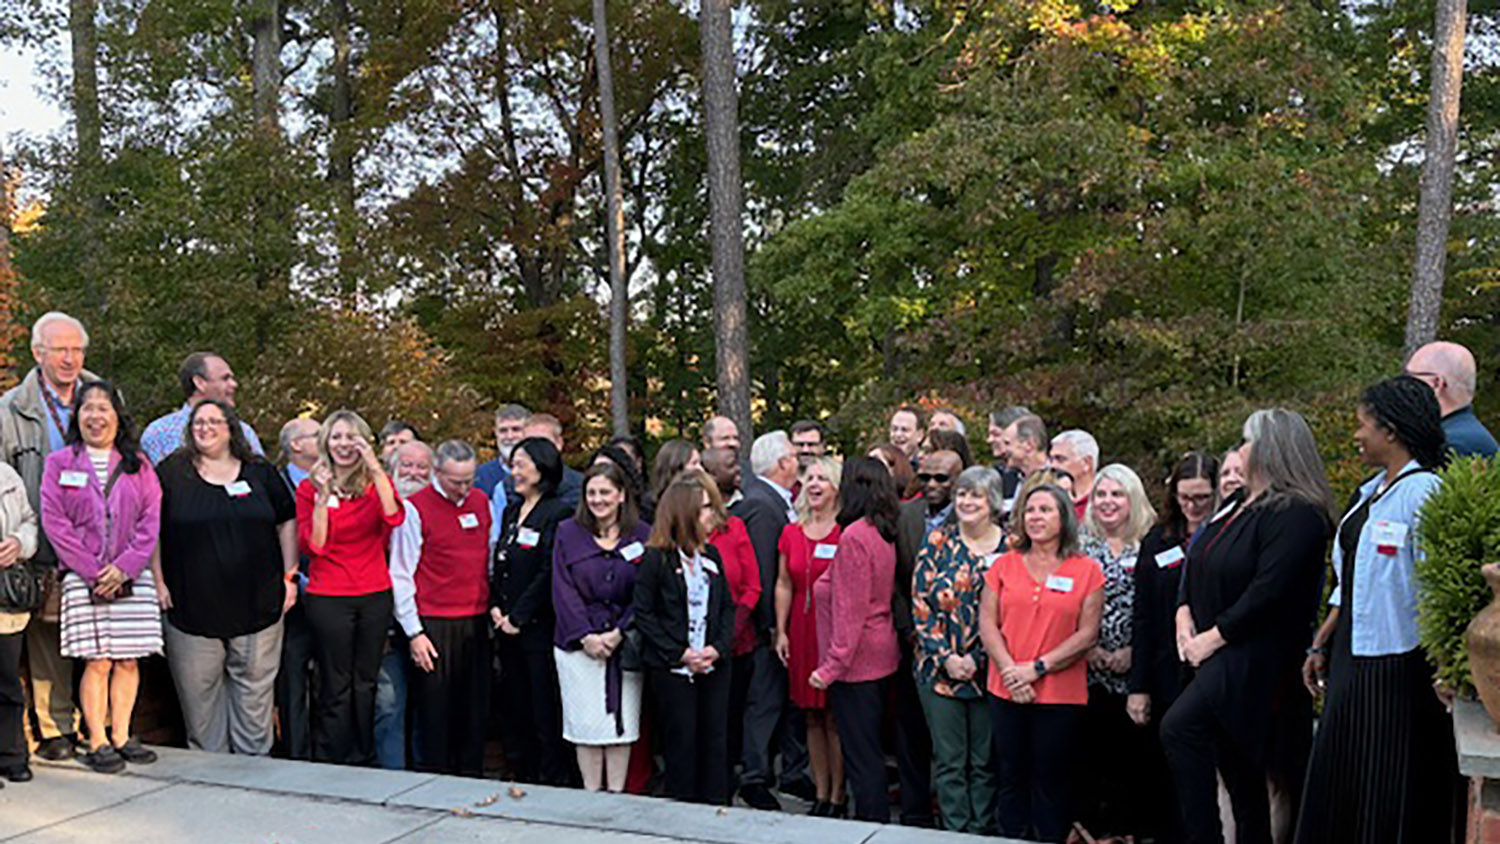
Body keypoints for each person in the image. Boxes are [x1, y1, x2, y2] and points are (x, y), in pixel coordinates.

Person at [1295, 376, 1455, 844]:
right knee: (1342, 776)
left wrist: (1444, 663)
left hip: (1396, 665)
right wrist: (1319, 643)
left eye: (1363, 424)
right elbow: (1351, 584)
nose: (1356, 435)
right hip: (1351, 657)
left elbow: (1432, 586)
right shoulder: (1370, 492)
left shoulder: (1424, 492)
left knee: (1385, 783)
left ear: (1391, 430)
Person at [1162, 409, 1333, 844]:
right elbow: (1196, 562)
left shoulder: (1298, 514)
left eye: (1245, 441)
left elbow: (1268, 591)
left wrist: (1210, 640)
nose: (1239, 451)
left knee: (1180, 728)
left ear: (1271, 448)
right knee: (1239, 770)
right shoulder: (1238, 505)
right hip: (1214, 651)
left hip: (1253, 658)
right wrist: (1183, 613)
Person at [153, 399, 297, 755]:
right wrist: (158, 581)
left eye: (215, 421)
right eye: (199, 422)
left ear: (232, 428)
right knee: (201, 704)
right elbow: (150, 528)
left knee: (254, 697)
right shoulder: (172, 473)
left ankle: (254, 773)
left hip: (259, 606)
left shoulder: (259, 471)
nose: (206, 428)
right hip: (190, 607)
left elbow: (287, 520)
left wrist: (289, 577)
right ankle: (211, 776)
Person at [41, 380, 163, 774]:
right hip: (84, 576)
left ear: (118, 416)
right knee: (98, 661)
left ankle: (123, 735)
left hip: (132, 574)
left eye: (104, 408)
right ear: (77, 416)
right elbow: (55, 523)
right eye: (87, 407)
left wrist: (126, 566)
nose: (96, 415)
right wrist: (94, 571)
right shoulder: (59, 464)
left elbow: (150, 520)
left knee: (127, 660)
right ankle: (96, 740)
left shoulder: (139, 465)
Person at [979, 482, 1104, 842]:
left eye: (1045, 509)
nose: (1036, 517)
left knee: (1051, 780)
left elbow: (1087, 634)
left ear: (1064, 517)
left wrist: (1036, 668)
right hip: (1006, 689)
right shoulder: (1004, 564)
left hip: (1059, 693)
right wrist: (1010, 671)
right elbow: (988, 623)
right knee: (1010, 775)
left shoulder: (1087, 570)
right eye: (1030, 510)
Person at [0, 311, 94, 762]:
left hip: (96, 540)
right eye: (60, 349)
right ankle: (56, 728)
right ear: (37, 353)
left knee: (100, 634)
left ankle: (104, 726)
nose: (70, 358)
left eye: (77, 349)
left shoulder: (101, 396)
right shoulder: (9, 410)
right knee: (46, 636)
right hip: (39, 542)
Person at [296, 409, 404, 766]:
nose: (344, 444)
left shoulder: (375, 483)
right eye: (337, 437)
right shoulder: (309, 487)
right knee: (334, 681)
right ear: (326, 441)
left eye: (351, 437)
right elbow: (317, 545)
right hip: (330, 596)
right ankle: (332, 757)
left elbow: (393, 516)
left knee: (366, 681)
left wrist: (375, 466)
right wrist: (323, 495)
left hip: (373, 592)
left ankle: (364, 754)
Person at [1129, 451, 1220, 843]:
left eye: (1201, 497)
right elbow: (1144, 615)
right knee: (1165, 766)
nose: (1192, 506)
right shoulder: (1160, 538)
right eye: (1185, 497)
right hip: (1166, 669)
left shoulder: (1227, 533)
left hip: (1214, 670)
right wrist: (1138, 686)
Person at [388, 440, 492, 777]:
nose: (462, 488)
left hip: (474, 620)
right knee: (436, 714)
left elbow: (487, 559)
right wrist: (414, 632)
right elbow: (401, 573)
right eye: (454, 481)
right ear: (436, 473)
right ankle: (436, 782)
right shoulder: (416, 509)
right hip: (433, 622)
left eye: (468, 480)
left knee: (473, 711)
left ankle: (471, 778)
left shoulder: (481, 502)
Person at [631, 473, 736, 805]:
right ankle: (684, 813)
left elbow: (727, 610)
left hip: (713, 666)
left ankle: (717, 808)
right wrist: (679, 654)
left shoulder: (713, 557)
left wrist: (717, 649)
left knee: (716, 740)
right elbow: (644, 612)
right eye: (704, 509)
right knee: (682, 742)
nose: (711, 516)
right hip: (673, 669)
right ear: (684, 512)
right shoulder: (656, 559)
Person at [911, 466, 1005, 834]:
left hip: (991, 669)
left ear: (992, 502)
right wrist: (947, 658)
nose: (966, 502)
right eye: (962, 494)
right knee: (949, 761)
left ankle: (981, 830)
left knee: (983, 761)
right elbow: (920, 603)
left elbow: (1013, 613)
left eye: (976, 495)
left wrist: (978, 659)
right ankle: (955, 831)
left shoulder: (1010, 547)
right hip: (938, 671)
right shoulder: (937, 542)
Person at [808, 456, 901, 823]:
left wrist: (830, 667)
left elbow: (850, 610)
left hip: (858, 662)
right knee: (870, 753)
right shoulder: (879, 531)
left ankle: (870, 827)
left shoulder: (855, 537)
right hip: (880, 653)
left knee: (862, 758)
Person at [551, 462, 650, 792]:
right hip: (579, 646)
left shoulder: (643, 535)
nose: (598, 499)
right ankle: (592, 796)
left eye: (605, 492)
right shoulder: (567, 532)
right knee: (587, 728)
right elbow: (562, 588)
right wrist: (586, 636)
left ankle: (617, 796)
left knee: (621, 727)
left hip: (625, 644)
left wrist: (619, 632)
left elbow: (646, 592)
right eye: (591, 492)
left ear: (621, 495)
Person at [1076, 463, 1157, 841]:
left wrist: (1132, 652)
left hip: (1137, 672)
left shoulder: (1154, 542)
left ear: (1133, 499)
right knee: (1091, 757)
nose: (1108, 502)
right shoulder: (1078, 545)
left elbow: (1161, 605)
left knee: (1135, 759)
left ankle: (1131, 831)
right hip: (1086, 669)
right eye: (1102, 494)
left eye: (1117, 494)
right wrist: (1088, 646)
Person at [490, 436, 574, 785]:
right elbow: (501, 562)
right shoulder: (511, 510)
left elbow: (547, 571)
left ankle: (550, 777)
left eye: (522, 464)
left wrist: (519, 616)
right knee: (516, 704)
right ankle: (522, 772)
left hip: (536, 627)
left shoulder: (558, 513)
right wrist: (496, 607)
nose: (514, 471)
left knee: (543, 708)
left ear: (542, 468)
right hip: (505, 626)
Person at [893, 449, 970, 827]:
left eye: (942, 478)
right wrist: (910, 630)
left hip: (963, 648)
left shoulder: (973, 516)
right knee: (910, 732)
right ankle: (915, 812)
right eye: (925, 477)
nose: (933, 485)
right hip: (912, 643)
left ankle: (959, 818)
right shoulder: (904, 514)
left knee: (957, 744)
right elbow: (893, 581)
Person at [732, 431, 802, 811]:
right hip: (765, 628)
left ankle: (788, 772)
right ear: (782, 464)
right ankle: (754, 776)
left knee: (781, 701)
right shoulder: (762, 505)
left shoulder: (772, 501)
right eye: (793, 455)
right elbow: (760, 568)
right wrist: (771, 626)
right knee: (764, 701)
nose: (798, 462)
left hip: (778, 624)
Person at [774, 456, 844, 817]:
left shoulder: (845, 531)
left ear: (836, 488)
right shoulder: (791, 531)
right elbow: (784, 583)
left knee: (834, 715)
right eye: (810, 478)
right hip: (801, 631)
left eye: (823, 479)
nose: (815, 484)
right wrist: (781, 630)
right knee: (810, 716)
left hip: (833, 630)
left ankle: (838, 794)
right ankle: (820, 792)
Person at [373, 438, 434, 770]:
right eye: (406, 466)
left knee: (427, 706)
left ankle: (426, 774)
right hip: (387, 627)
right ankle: (391, 776)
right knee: (389, 705)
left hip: (432, 626)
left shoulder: (438, 508)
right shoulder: (377, 507)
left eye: (421, 467)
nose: (413, 472)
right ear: (391, 471)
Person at [274, 415, 320, 759]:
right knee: (291, 679)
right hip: (292, 601)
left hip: (334, 597)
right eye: (317, 434)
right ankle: (296, 754)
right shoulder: (277, 484)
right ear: (295, 445)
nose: (327, 439)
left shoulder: (338, 482)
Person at [140, 352, 265, 464]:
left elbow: (262, 479)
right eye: (225, 378)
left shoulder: (245, 432)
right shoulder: (159, 434)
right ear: (200, 383)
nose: (234, 384)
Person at [0, 460, 39, 786]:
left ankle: (13, 754)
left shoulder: (6, 475)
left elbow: (29, 520)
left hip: (4, 596)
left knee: (7, 680)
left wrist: (18, 542)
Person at [1405, 340, 1498, 457]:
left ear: (1437, 383)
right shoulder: (1463, 433)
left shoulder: (1452, 444)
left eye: (1411, 377)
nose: (1404, 385)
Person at [475, 403, 528, 531]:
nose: (509, 437)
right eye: (503, 431)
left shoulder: (540, 473)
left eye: (516, 430)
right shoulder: (480, 476)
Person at [524, 413, 583, 511]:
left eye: (543, 442)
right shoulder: (510, 486)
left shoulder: (578, 485)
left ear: (559, 443)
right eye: (529, 443)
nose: (536, 449)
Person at [1049, 429, 1099, 518]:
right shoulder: (1049, 498)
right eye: (1051, 460)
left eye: (1060, 459)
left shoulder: (1101, 503)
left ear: (1086, 463)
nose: (1052, 466)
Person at [649, 440, 700, 509]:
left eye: (700, 463)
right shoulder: (650, 505)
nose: (700, 468)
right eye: (694, 463)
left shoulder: (703, 496)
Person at [1003, 414, 1051, 480]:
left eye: (1007, 443)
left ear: (1029, 445)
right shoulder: (1010, 480)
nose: (1003, 450)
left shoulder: (1056, 479)